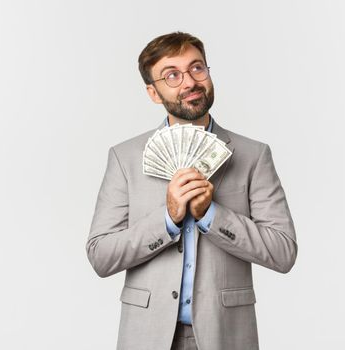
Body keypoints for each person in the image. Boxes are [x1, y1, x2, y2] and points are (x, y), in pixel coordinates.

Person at [86, 31, 297, 350]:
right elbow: (101, 256)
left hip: (226, 335)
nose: (189, 82)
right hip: (147, 334)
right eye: (172, 75)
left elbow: (283, 252)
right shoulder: (124, 157)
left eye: (197, 68)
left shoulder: (254, 155)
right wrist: (168, 219)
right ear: (153, 93)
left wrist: (211, 216)